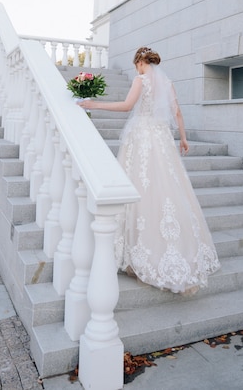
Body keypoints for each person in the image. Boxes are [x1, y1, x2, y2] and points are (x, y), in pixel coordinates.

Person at [77, 47, 220, 294]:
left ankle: (139, 253)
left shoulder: (141, 80)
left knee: (139, 187)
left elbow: (126, 106)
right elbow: (177, 112)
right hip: (162, 138)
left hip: (142, 137)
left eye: (137, 65)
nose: (137, 69)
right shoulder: (167, 82)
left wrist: (93, 104)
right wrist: (184, 139)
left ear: (139, 63)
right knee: (166, 188)